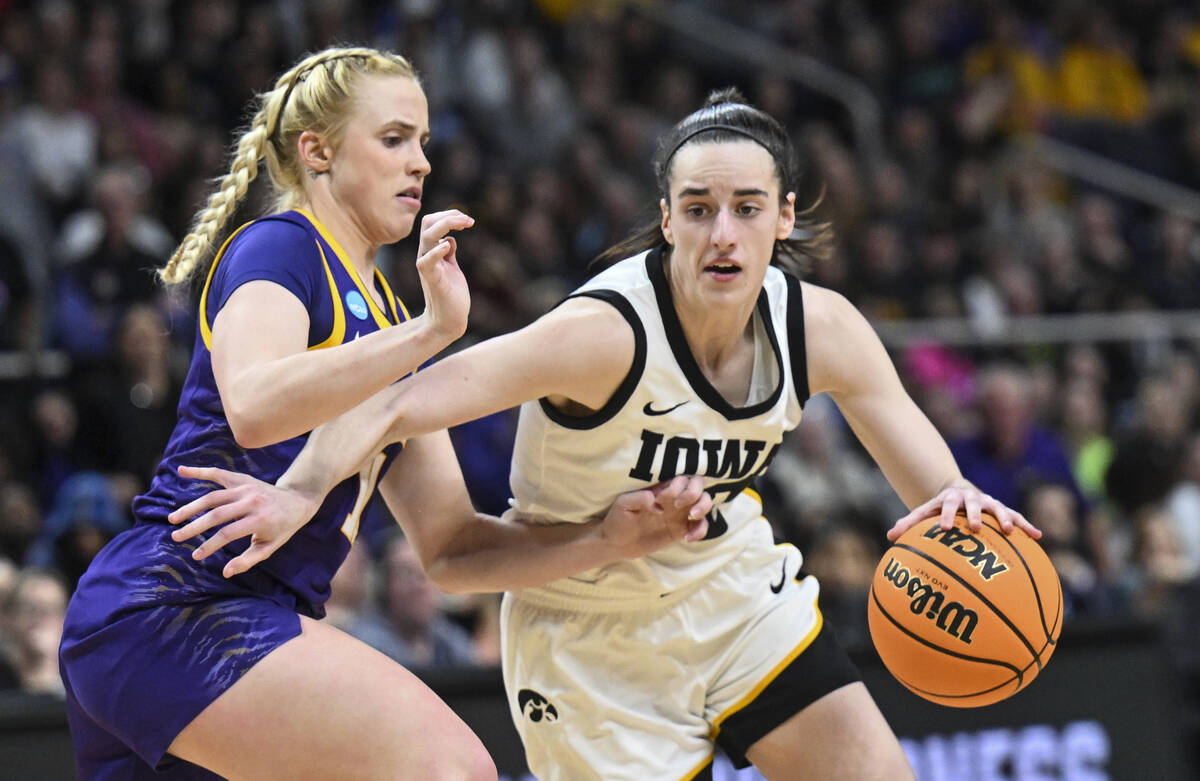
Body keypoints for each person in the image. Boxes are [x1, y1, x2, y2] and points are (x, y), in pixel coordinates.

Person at [172, 89, 1039, 780]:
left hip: (729, 593)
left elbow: (936, 490)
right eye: (698, 208)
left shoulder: (824, 328)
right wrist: (299, 487)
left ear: (784, 219)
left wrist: (952, 500)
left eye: (746, 207)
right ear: (666, 220)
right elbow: (399, 402)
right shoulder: (603, 333)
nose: (722, 232)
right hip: (586, 633)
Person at [58, 46, 711, 781]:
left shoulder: (394, 322)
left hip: (236, 628)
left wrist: (607, 538)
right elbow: (253, 403)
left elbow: (453, 548)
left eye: (424, 142)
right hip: (176, 605)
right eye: (395, 138)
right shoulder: (282, 247)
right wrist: (429, 333)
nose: (421, 163)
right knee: (450, 766)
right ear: (318, 152)